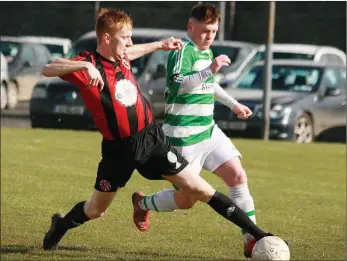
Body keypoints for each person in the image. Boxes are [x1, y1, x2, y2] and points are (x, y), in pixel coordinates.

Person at [41, 8, 274, 252]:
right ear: (107, 39)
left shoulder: (120, 55)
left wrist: (160, 45)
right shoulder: (86, 64)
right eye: (125, 37)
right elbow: (49, 67)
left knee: (200, 189)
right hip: (118, 150)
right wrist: (85, 68)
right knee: (96, 210)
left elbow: (132, 51)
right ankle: (61, 224)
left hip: (152, 139)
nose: (130, 42)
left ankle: (260, 236)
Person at [131, 3, 259, 258]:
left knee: (237, 176)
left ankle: (251, 238)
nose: (209, 36)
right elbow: (181, 87)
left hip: (208, 131)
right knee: (187, 200)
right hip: (182, 136)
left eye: (213, 31)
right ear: (191, 27)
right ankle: (141, 203)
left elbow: (209, 85)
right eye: (205, 30)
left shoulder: (206, 52)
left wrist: (234, 105)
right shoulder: (182, 51)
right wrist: (210, 70)